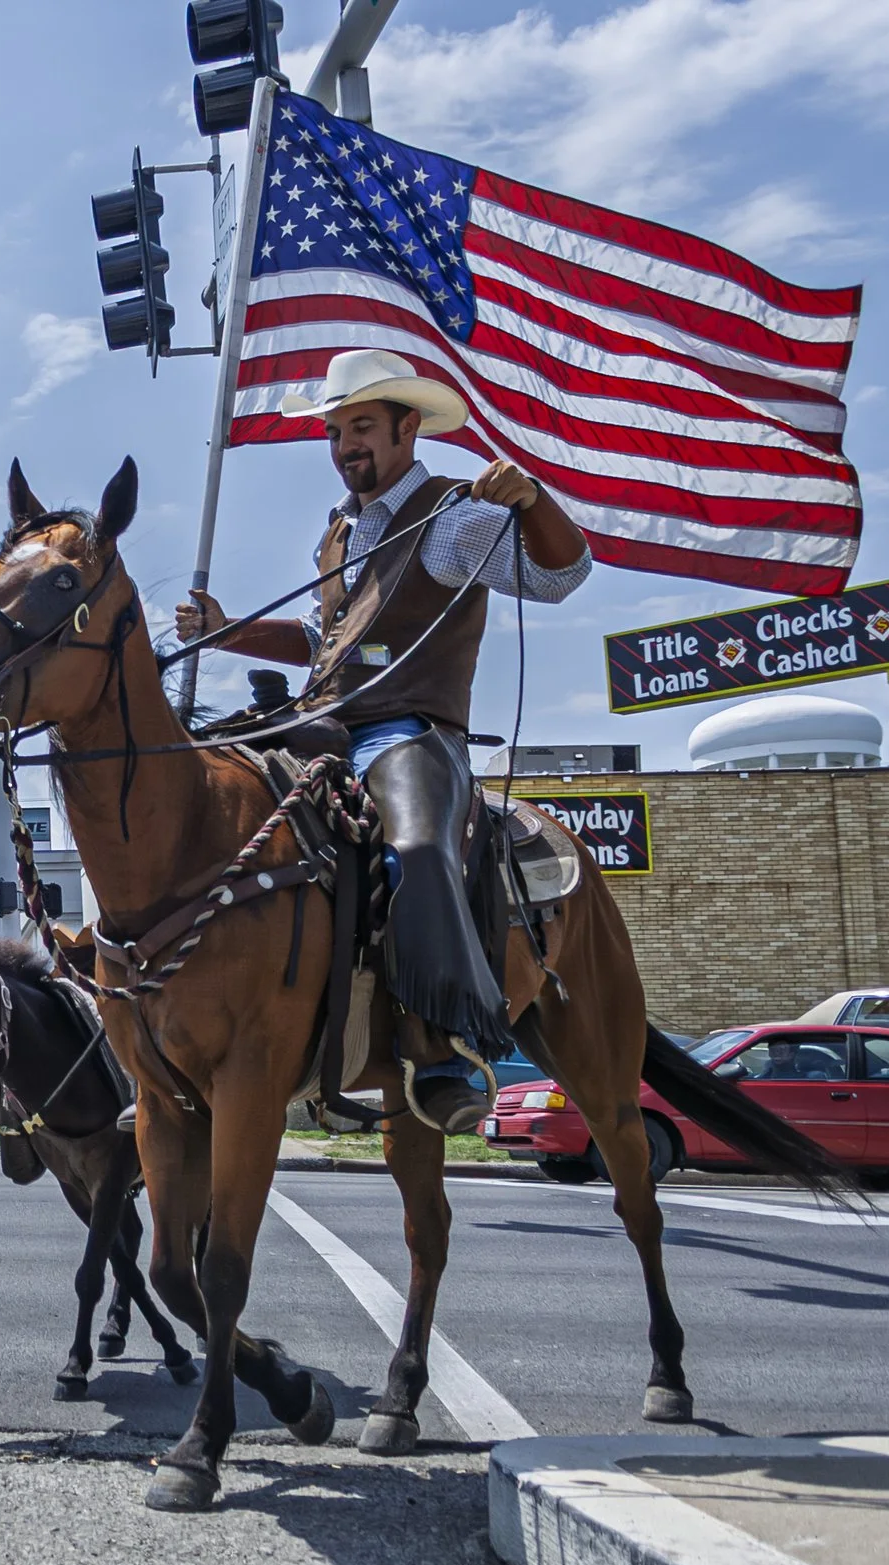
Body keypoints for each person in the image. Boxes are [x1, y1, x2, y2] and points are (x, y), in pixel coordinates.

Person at [174, 349, 590, 1132]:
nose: (345, 446)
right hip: (320, 723)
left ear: (407, 427)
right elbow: (321, 636)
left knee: (421, 848)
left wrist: (532, 501)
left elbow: (559, 576)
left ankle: (441, 1043)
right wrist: (228, 633)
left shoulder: (452, 516)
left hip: (406, 727)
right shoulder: (338, 533)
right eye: (335, 432)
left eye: (360, 427)